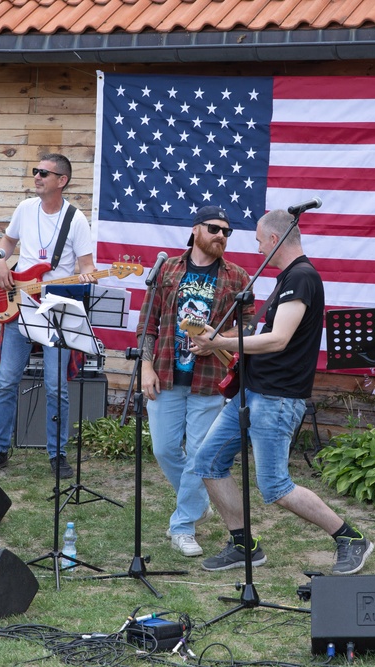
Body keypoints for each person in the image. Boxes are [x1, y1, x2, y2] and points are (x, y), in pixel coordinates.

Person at [189, 209, 374, 575]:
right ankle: (244, 546)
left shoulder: (302, 278)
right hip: (252, 393)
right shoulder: (287, 279)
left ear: (274, 240)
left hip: (276, 398)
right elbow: (262, 340)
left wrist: (222, 341)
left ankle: (350, 538)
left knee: (274, 486)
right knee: (208, 462)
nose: (257, 249)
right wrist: (220, 344)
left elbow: (278, 339)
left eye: (259, 241)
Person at [138, 205, 253, 557]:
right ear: (195, 230)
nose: (221, 236)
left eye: (226, 231)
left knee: (199, 454)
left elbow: (248, 326)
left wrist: (217, 340)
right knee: (164, 449)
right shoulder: (168, 269)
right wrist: (145, 366)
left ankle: (183, 525)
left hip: (210, 378)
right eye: (214, 229)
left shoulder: (237, 276)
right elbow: (148, 322)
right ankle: (198, 502)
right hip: (166, 374)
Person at [0, 154, 97, 479]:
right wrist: (0, 261)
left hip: (55, 307)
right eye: (35, 171)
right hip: (19, 304)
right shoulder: (25, 209)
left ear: (62, 180)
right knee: (6, 381)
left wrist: (88, 275)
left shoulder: (76, 219)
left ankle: (57, 454)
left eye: (44, 173)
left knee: (56, 386)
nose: (37, 176)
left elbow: (86, 266)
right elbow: (7, 243)